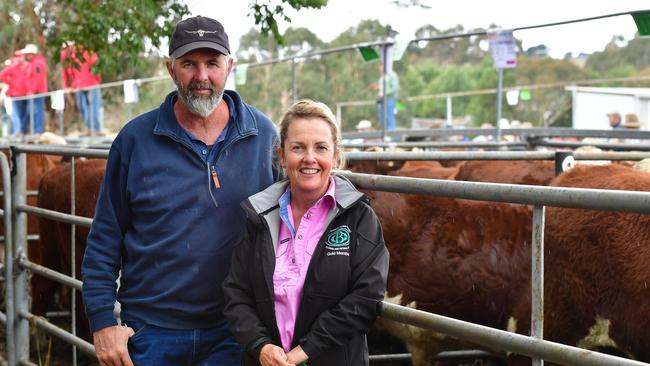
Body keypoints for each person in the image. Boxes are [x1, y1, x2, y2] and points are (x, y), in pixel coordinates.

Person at [81, 15, 280, 366]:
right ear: (170, 69)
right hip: (151, 331)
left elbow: (294, 229)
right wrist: (102, 323)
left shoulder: (263, 136)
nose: (201, 77)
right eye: (189, 63)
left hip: (236, 331)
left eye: (212, 63)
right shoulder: (134, 140)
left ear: (229, 66)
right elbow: (105, 237)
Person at [223, 100, 389, 366]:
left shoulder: (358, 218)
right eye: (297, 148)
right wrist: (261, 346)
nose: (309, 158)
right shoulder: (260, 217)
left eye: (321, 148)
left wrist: (305, 351)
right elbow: (236, 293)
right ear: (281, 155)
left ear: (335, 156)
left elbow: (365, 298)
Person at [61, 43, 103, 134]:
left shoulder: (88, 52)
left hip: (91, 84)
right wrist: (71, 86)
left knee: (93, 107)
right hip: (79, 86)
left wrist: (97, 80)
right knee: (83, 107)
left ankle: (95, 128)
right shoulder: (71, 57)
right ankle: (88, 128)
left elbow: (96, 66)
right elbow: (70, 73)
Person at [375, 62, 399, 131]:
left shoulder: (393, 75)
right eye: (380, 66)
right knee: (381, 118)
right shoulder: (382, 77)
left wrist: (385, 93)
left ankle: (391, 134)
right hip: (381, 100)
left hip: (389, 99)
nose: (380, 68)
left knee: (389, 117)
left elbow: (395, 88)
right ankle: (382, 133)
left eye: (382, 66)